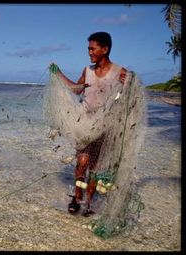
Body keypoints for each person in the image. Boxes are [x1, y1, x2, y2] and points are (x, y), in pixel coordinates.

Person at [53, 32, 127, 217]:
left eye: (93, 49)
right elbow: (77, 90)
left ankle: (87, 203)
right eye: (88, 49)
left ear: (105, 49)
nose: (90, 53)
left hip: (105, 128)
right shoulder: (88, 70)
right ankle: (76, 198)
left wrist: (131, 85)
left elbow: (129, 95)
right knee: (82, 162)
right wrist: (58, 73)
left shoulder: (119, 72)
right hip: (85, 125)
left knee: (95, 168)